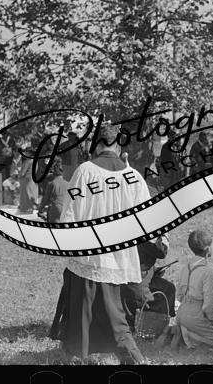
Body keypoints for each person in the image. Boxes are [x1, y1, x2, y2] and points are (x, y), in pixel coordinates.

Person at [48, 124, 149, 364]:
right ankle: (82, 353)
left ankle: (134, 358)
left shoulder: (84, 172)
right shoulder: (134, 177)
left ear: (96, 145)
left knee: (97, 311)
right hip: (119, 257)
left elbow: (70, 215)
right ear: (119, 146)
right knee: (104, 308)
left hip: (89, 255)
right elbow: (146, 220)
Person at [171, 230, 213, 352]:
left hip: (182, 311)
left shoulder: (185, 268)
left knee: (199, 329)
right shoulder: (207, 272)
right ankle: (188, 338)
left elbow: (179, 295)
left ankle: (184, 333)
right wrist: (209, 318)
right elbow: (209, 301)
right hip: (196, 314)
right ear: (208, 249)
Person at [121, 234, 175, 333]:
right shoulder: (144, 235)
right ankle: (146, 325)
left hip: (144, 272)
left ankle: (160, 322)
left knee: (169, 288)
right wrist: (163, 237)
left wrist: (154, 270)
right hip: (135, 275)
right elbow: (161, 251)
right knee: (143, 300)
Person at [38, 156, 69, 223]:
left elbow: (45, 199)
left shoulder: (51, 184)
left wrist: (40, 209)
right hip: (65, 208)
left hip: (55, 208)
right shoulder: (68, 184)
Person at [18, 148, 39, 213]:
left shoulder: (28, 161)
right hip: (32, 179)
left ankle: (25, 209)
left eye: (26, 152)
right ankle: (30, 208)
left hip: (26, 179)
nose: (25, 153)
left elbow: (23, 172)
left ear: (30, 153)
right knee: (31, 194)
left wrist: (18, 176)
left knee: (25, 195)